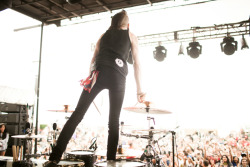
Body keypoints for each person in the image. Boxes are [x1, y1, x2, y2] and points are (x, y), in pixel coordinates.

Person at [45, 10, 146, 167]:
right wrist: (140, 90)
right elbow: (137, 64)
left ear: (112, 23)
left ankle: (54, 158)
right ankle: (111, 162)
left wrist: (90, 78)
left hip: (97, 73)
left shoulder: (103, 35)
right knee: (113, 122)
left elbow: (93, 60)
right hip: (117, 76)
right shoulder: (131, 35)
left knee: (76, 116)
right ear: (127, 25)